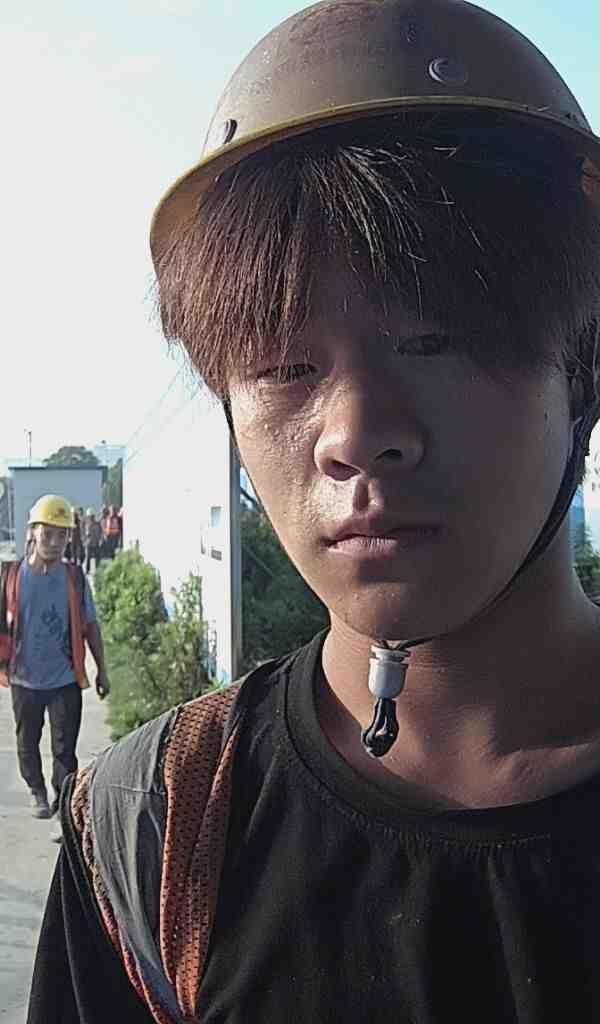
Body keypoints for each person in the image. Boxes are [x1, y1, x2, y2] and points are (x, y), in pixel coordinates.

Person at [27, 1, 600, 1020]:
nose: (355, 433)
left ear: (582, 368)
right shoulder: (153, 834)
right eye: (284, 367)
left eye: (438, 340)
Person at [0, 495, 110, 836]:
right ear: (32, 533)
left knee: (65, 751)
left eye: (62, 535)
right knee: (27, 743)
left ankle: (63, 810)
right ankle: (36, 789)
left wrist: (102, 669)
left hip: (64, 678)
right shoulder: (11, 576)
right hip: (24, 679)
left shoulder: (74, 578)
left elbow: (91, 626)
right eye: (48, 533)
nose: (54, 541)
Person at [83, 509, 104, 574]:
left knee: (97, 558)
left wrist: (100, 540)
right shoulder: (87, 524)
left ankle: (97, 570)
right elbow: (84, 534)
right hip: (90, 543)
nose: (91, 518)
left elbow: (101, 533)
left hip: (95, 543)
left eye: (91, 516)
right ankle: (88, 570)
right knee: (88, 557)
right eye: (90, 516)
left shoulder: (96, 524)